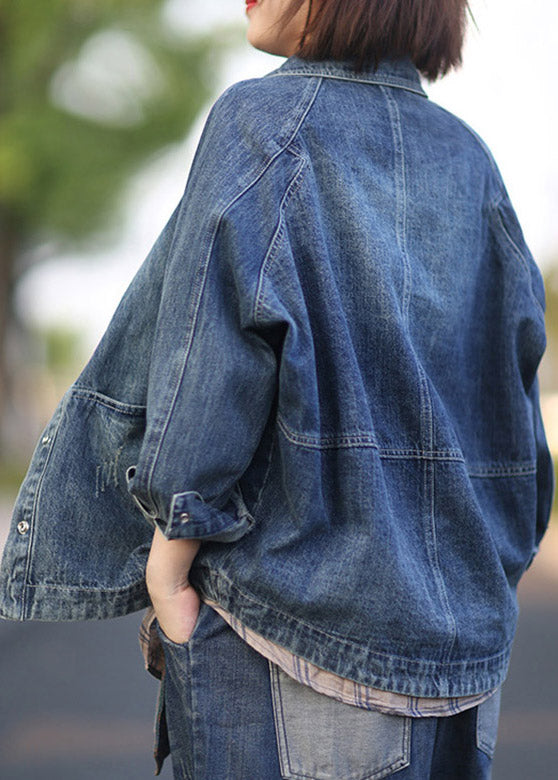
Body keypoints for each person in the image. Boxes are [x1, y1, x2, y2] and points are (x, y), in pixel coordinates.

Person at [0, 0, 553, 778]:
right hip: (462, 653)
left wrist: (168, 567)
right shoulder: (473, 162)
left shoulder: (262, 124)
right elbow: (513, 413)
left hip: (288, 627)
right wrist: (482, 575)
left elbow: (209, 368)